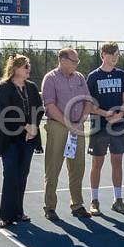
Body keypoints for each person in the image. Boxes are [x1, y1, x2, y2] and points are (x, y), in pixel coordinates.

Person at [0, 54, 44, 227]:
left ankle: (18, 212)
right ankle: (5, 215)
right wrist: (25, 126)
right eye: (26, 66)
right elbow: (8, 112)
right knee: (11, 175)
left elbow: (39, 108)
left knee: (22, 175)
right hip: (9, 138)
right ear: (16, 68)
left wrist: (33, 127)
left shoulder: (31, 87)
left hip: (28, 138)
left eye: (29, 66)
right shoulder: (4, 87)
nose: (29, 69)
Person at [41, 48, 93, 220]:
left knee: (78, 168)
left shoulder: (80, 78)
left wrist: (80, 121)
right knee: (53, 168)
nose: (77, 64)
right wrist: (69, 123)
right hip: (58, 127)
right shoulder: (50, 78)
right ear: (63, 60)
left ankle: (77, 205)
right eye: (74, 60)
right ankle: (50, 207)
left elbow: (88, 102)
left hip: (77, 128)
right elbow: (50, 106)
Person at [85, 42, 124, 215]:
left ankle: (118, 200)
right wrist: (106, 114)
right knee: (97, 163)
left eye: (117, 54)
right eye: (111, 53)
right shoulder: (93, 77)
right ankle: (94, 201)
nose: (115, 57)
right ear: (102, 55)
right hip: (99, 126)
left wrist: (119, 115)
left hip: (118, 126)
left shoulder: (121, 75)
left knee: (117, 162)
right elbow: (89, 104)